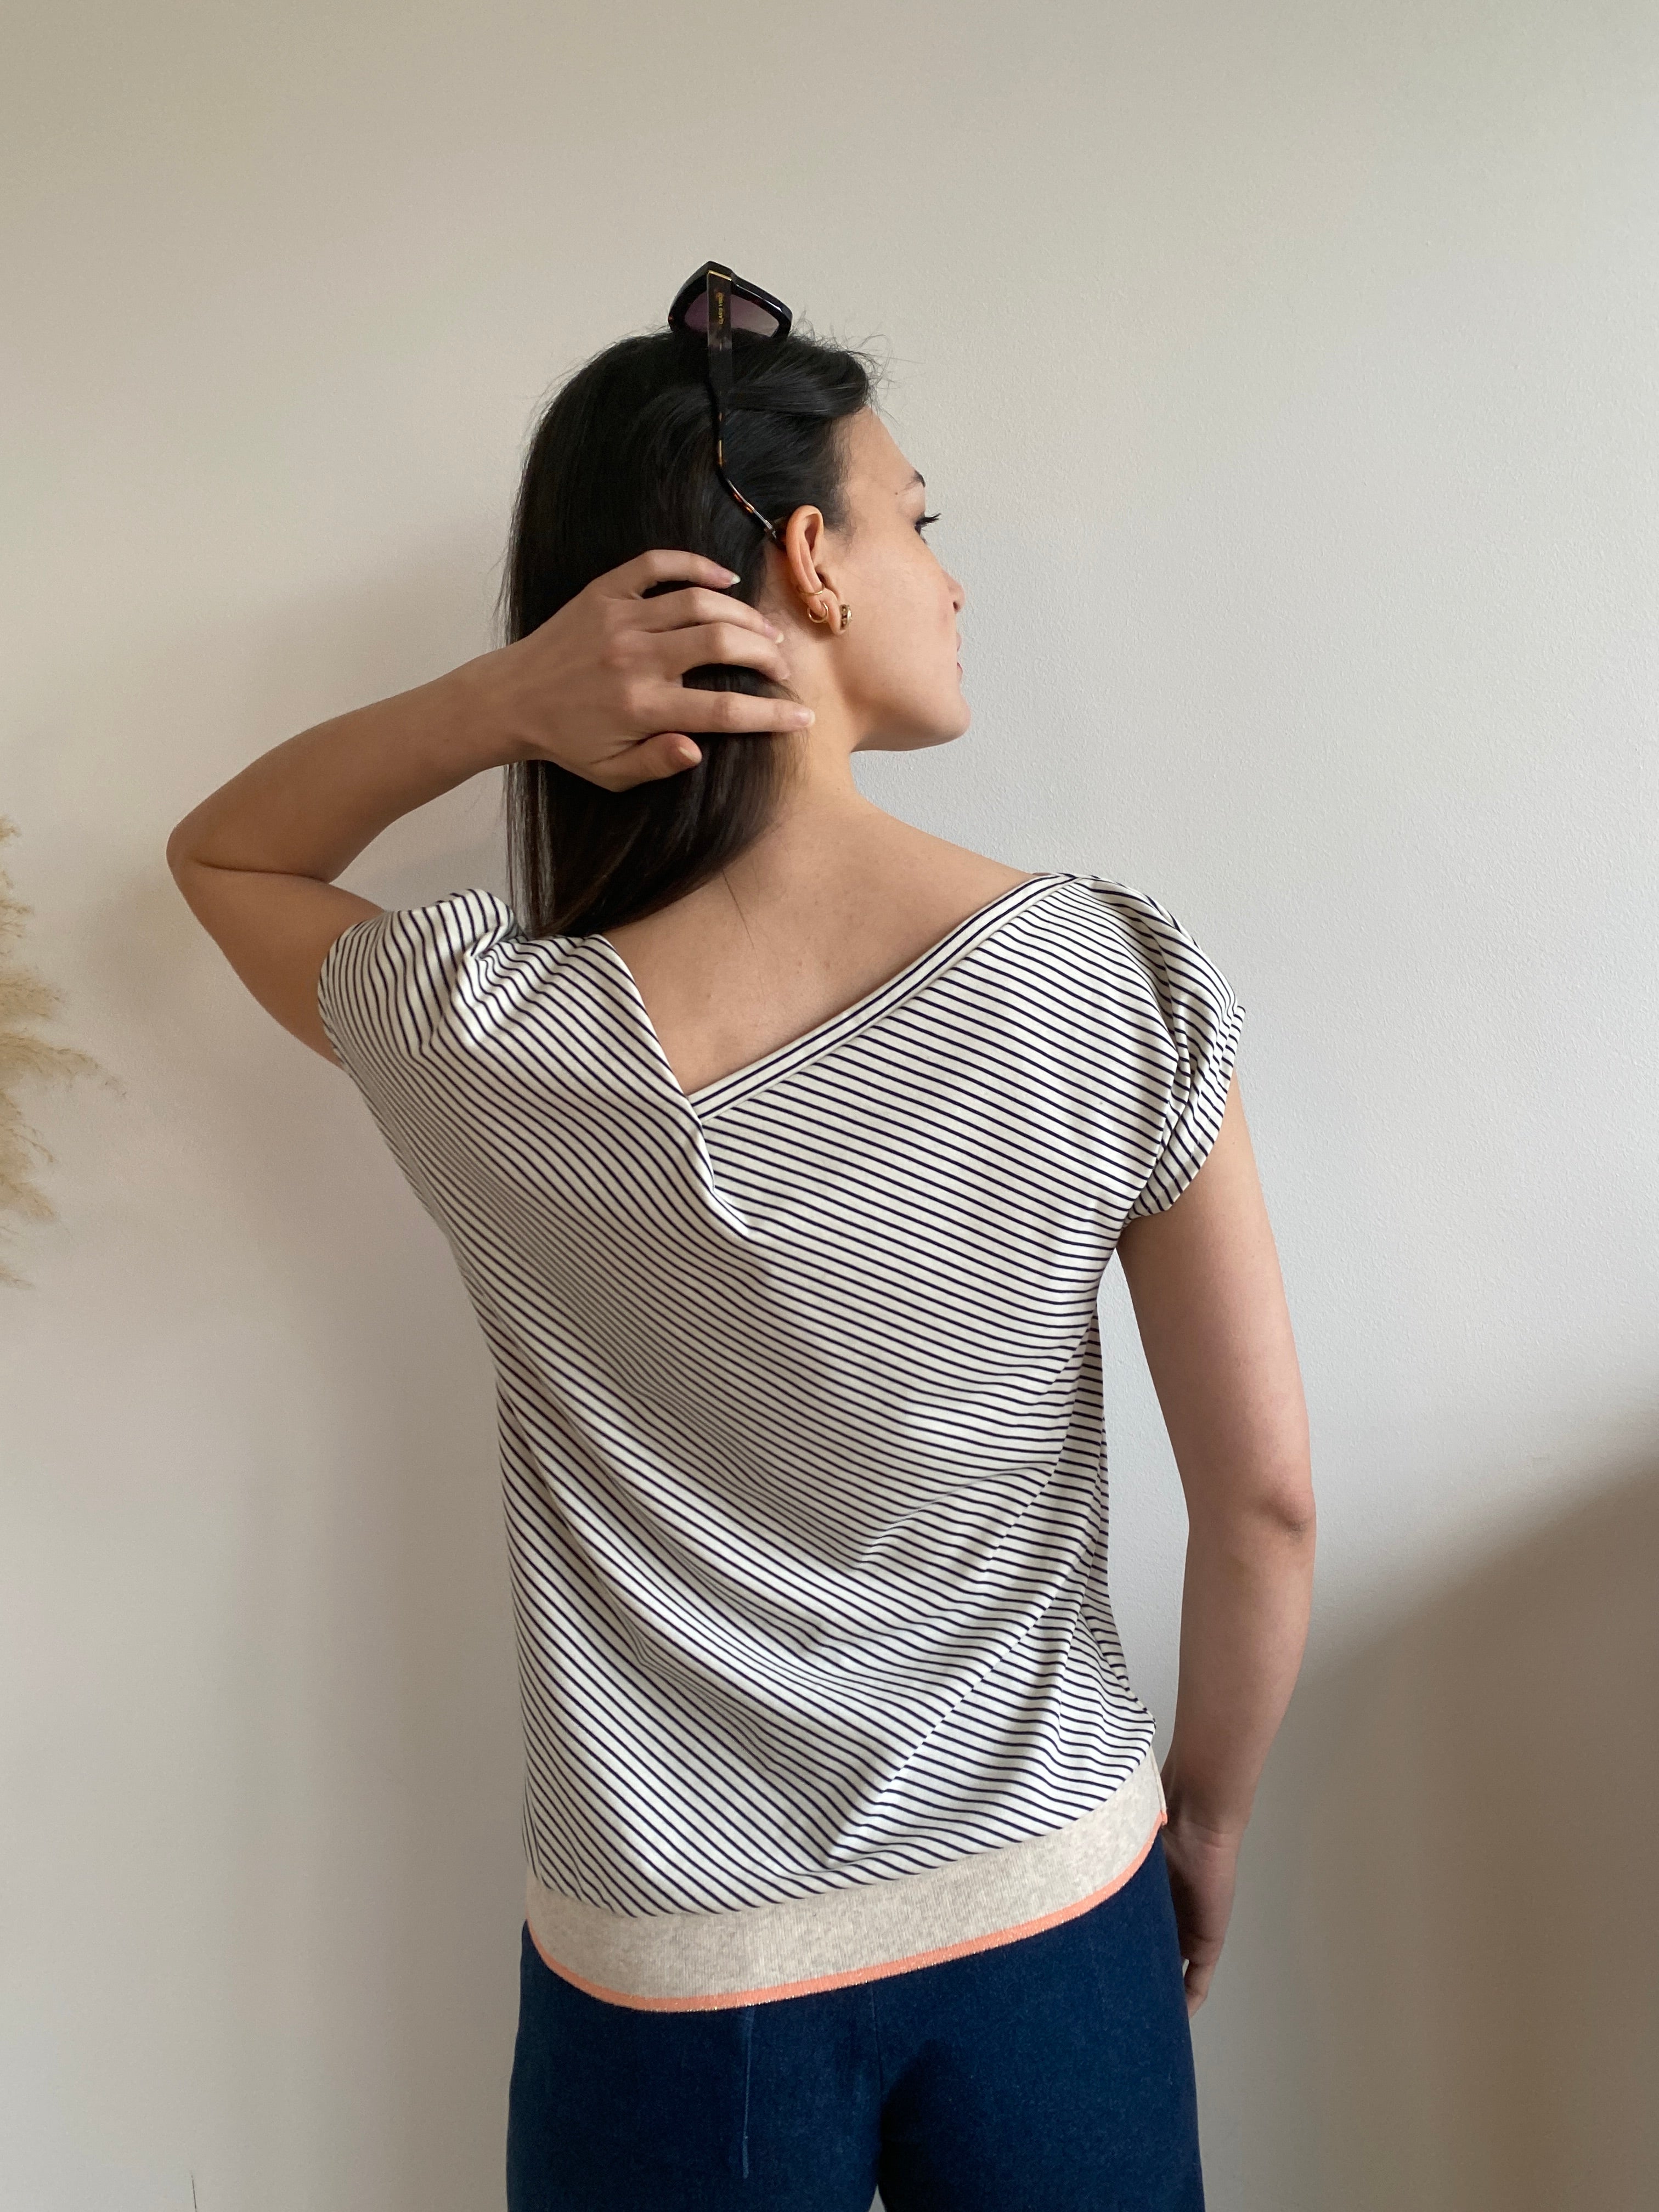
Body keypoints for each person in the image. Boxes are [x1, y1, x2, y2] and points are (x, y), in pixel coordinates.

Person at [167, 261, 1315, 2212]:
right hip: (1053, 1898)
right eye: (919, 521)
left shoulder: (486, 1030)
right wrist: (1202, 1821)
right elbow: (1267, 1505)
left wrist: (498, 705)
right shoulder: (1104, 979)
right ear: (812, 561)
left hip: (671, 1962)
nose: (953, 578)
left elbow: (227, 854)